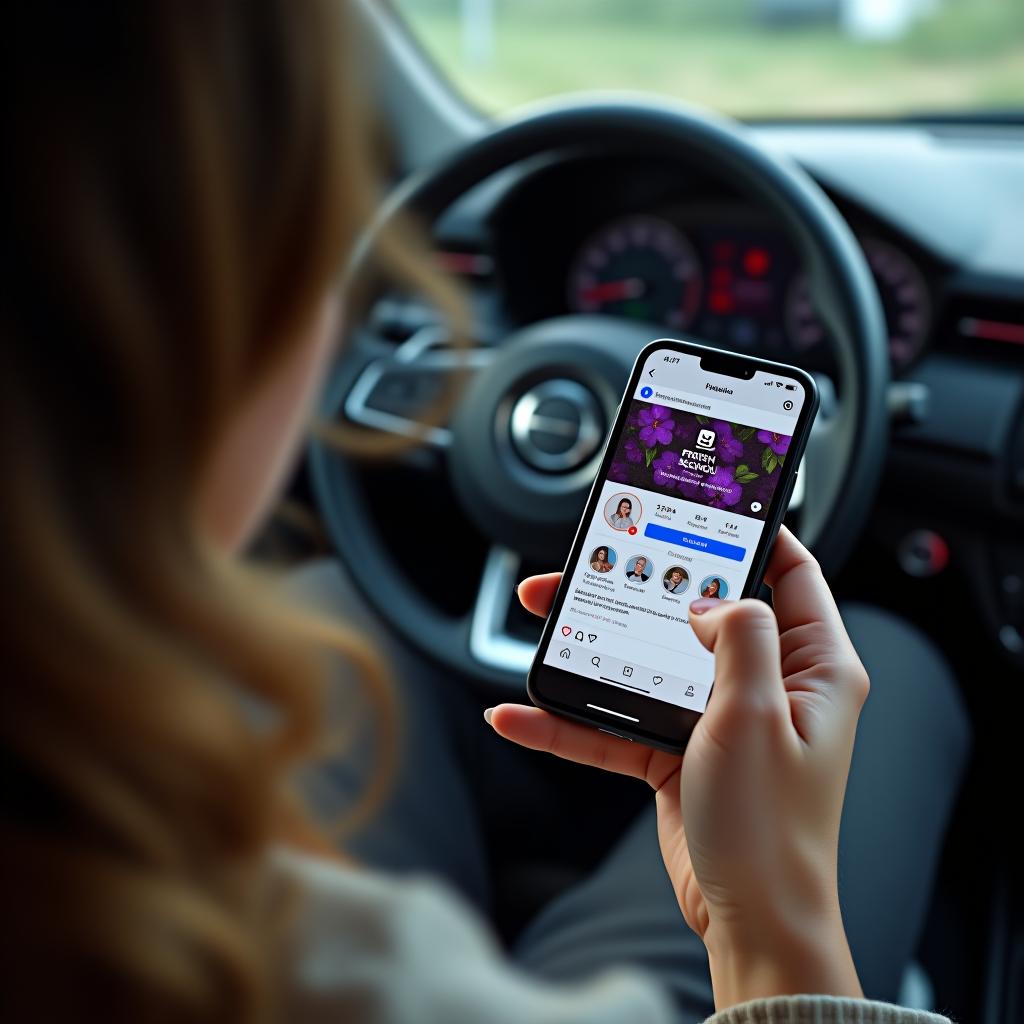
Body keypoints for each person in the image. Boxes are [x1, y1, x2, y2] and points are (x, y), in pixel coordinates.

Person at [2, 4, 969, 1023]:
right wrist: (770, 917)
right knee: (892, 667)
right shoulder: (309, 972)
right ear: (193, 314)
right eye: (315, 250)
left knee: (338, 597)